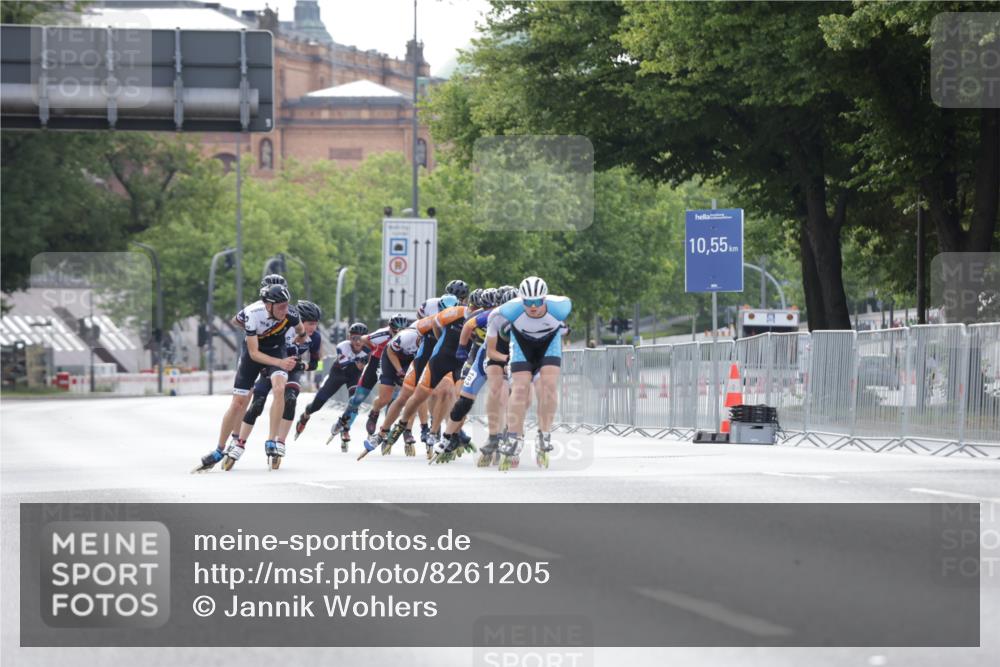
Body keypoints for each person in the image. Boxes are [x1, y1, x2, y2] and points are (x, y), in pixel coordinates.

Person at [193, 284, 303, 472]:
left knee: (279, 389)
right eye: (280, 307)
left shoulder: (290, 314)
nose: (285, 310)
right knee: (238, 403)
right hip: (255, 354)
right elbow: (253, 353)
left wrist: (293, 348)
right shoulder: (253, 314)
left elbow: (301, 332)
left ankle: (271, 440)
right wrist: (278, 361)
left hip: (277, 349)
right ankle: (219, 449)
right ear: (268, 305)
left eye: (287, 305)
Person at [223, 300, 322, 470]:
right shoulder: (284, 328)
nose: (313, 328)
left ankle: (279, 442)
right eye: (309, 324)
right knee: (257, 404)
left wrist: (301, 366)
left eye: (315, 324)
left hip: (291, 371)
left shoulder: (316, 337)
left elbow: (314, 364)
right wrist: (264, 366)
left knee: (290, 398)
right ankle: (240, 443)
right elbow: (265, 348)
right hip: (272, 368)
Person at [490, 276, 572, 470]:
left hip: (548, 345)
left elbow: (567, 328)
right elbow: (494, 324)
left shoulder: (560, 307)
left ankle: (544, 435)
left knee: (549, 386)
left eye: (537, 302)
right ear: (521, 299)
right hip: (522, 345)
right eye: (528, 302)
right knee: (519, 389)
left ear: (545, 299)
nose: (533, 307)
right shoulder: (509, 309)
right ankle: (513, 437)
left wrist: (565, 330)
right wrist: (501, 333)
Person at [327, 313, 408, 451]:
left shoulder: (407, 336)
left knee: (392, 398)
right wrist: (371, 351)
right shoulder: (382, 334)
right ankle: (343, 420)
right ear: (390, 327)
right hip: (377, 362)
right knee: (358, 398)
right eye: (395, 331)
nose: (398, 333)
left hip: (393, 364)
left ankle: (384, 429)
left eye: (401, 331)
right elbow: (363, 339)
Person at [294, 322, 369, 439]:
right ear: (349, 338)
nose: (358, 342)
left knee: (355, 402)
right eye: (354, 338)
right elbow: (347, 366)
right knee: (317, 405)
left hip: (353, 376)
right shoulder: (342, 346)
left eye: (361, 338)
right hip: (338, 374)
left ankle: (345, 428)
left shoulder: (369, 349)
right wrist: (359, 363)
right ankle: (305, 416)